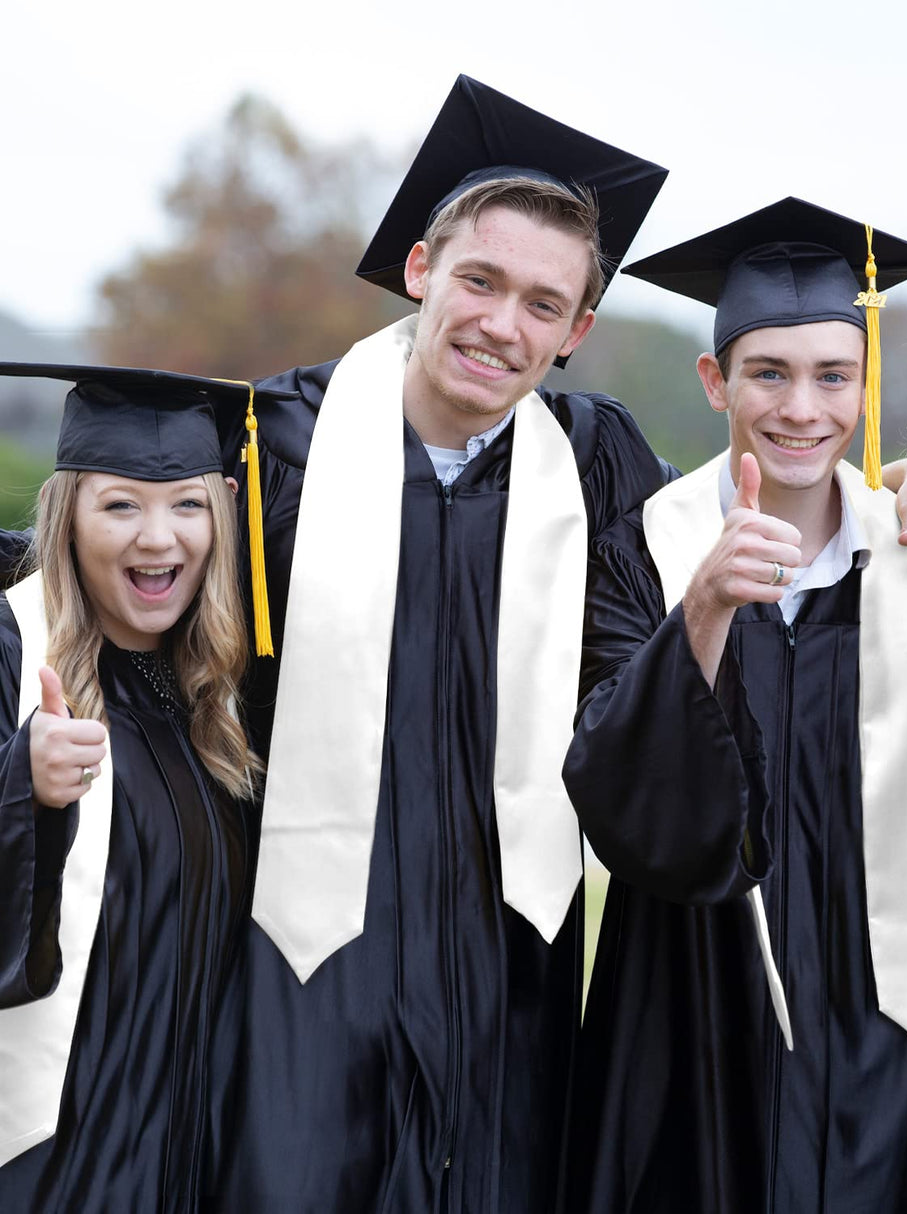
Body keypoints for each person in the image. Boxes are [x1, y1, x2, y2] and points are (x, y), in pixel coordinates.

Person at [204, 77, 671, 1213]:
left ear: (574, 332)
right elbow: (119, 572)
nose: (500, 324)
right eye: (479, 280)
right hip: (303, 947)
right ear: (420, 271)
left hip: (507, 954)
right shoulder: (277, 440)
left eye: (541, 304)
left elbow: (706, 599)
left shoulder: (597, 462)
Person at [561, 199, 907, 1214]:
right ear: (715, 382)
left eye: (832, 374)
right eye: (768, 373)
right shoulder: (642, 550)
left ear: (865, 381)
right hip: (690, 1014)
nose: (802, 407)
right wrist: (701, 606)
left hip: (890, 1024)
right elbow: (613, 791)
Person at [0, 365, 274, 1213]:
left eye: (187, 505)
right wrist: (24, 786)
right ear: (68, 515)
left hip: (186, 1146)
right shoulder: (13, 652)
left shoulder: (215, 696)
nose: (159, 538)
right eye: (121, 505)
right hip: (53, 1152)